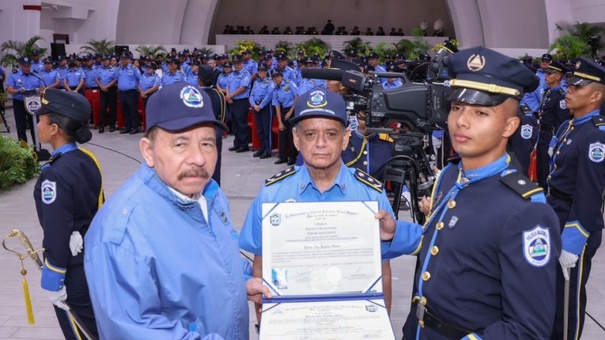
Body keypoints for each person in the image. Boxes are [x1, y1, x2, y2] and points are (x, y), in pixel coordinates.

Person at [381, 46, 562, 339]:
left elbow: (528, 328)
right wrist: (395, 234)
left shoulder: (526, 211)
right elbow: (452, 243)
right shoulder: (453, 174)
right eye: (456, 108)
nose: (462, 121)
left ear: (510, 125)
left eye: (480, 112)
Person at [84, 82, 271, 338]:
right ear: (148, 151)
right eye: (181, 144)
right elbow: (138, 330)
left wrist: (240, 281)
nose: (199, 158)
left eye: (207, 143)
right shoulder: (123, 235)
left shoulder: (210, 195)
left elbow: (212, 254)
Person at [239, 86, 423, 326]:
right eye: (310, 134)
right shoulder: (272, 195)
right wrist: (266, 326)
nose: (321, 144)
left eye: (331, 134)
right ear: (296, 139)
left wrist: (380, 326)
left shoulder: (369, 194)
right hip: (293, 326)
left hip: (352, 325)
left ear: (346, 138)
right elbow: (261, 266)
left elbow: (382, 269)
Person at [33, 89, 102, 339]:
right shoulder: (87, 159)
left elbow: (57, 230)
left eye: (41, 119)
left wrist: (54, 275)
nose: (38, 123)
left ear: (54, 129)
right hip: (90, 259)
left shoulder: (54, 173)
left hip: (71, 270)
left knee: (80, 333)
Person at [547, 57, 605, 340]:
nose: (569, 89)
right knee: (552, 296)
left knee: (567, 301)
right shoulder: (572, 127)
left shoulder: (596, 136)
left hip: (574, 223)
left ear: (595, 96)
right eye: (570, 83)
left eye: (577, 86)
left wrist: (575, 237)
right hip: (556, 214)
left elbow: (591, 191)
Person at [535, 60, 570, 190]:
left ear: (558, 76)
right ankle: (540, 189)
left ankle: (546, 193)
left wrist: (556, 141)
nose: (546, 76)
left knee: (546, 168)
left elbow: (562, 122)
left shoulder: (560, 96)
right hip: (542, 134)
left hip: (550, 135)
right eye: (546, 73)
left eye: (550, 73)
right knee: (540, 166)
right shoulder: (548, 93)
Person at [6, 56, 45, 144]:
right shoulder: (14, 75)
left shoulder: (35, 74)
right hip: (19, 103)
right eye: (25, 66)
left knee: (34, 125)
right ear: (20, 65)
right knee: (21, 126)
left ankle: (37, 148)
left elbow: (42, 87)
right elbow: (9, 89)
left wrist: (40, 90)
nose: (27, 68)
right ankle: (24, 149)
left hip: (33, 102)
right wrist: (18, 91)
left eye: (28, 66)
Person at [271, 70, 299, 165]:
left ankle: (292, 157)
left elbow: (297, 96)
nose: (277, 79)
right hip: (284, 111)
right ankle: (282, 157)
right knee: (282, 133)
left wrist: (291, 111)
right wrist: (280, 122)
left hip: (294, 109)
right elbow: (277, 107)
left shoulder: (289, 83)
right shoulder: (275, 90)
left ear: (282, 77)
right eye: (274, 78)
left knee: (292, 135)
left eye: (278, 77)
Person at [226, 55, 252, 153]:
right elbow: (227, 86)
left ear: (241, 63)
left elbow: (243, 88)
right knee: (235, 124)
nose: (236, 66)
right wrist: (228, 96)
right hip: (232, 101)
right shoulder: (232, 74)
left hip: (241, 101)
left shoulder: (246, 74)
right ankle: (237, 143)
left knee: (242, 124)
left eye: (238, 64)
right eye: (235, 64)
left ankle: (244, 145)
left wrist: (231, 95)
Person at [249, 64, 275, 159]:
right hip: (256, 107)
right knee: (259, 129)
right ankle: (262, 148)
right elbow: (251, 95)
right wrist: (254, 105)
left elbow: (269, 95)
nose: (261, 73)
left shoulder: (270, 82)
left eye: (263, 71)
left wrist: (261, 105)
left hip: (265, 107)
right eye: (259, 71)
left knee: (266, 130)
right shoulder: (256, 82)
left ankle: (268, 150)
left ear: (266, 72)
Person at [116, 53, 141, 134]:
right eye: (122, 59)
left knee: (132, 110)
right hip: (122, 93)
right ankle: (127, 127)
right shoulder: (119, 68)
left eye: (125, 59)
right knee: (125, 111)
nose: (123, 61)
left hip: (132, 93)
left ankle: (135, 127)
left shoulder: (134, 69)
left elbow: (140, 80)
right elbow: (117, 79)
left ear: (129, 59)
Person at [95, 54, 118, 133]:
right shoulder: (99, 69)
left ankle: (112, 126)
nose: (105, 62)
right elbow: (97, 79)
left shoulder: (114, 69)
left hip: (111, 89)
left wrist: (107, 86)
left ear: (109, 60)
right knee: (102, 108)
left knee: (112, 108)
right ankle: (101, 126)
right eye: (103, 60)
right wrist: (101, 86)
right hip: (102, 89)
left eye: (106, 60)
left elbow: (115, 80)